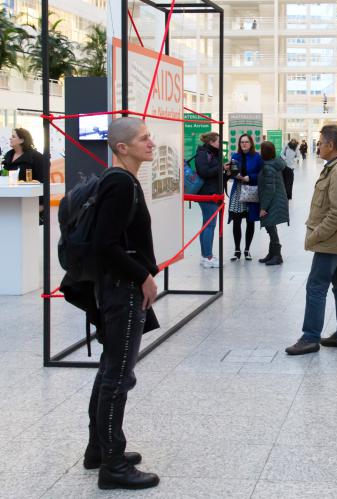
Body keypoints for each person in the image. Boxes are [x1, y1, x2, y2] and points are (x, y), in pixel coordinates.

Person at [86, 117, 161, 489]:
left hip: (117, 287)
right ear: (122, 148)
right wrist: (143, 276)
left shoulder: (123, 181)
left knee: (109, 370)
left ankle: (99, 448)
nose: (151, 143)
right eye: (143, 139)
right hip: (123, 291)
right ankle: (112, 465)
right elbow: (105, 244)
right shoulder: (119, 183)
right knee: (118, 376)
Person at [286, 124, 337, 356]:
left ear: (330, 144)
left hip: (331, 241)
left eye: (320, 142)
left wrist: (317, 235)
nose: (317, 146)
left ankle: (310, 337)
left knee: (316, 286)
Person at [225, 134, 262, 261]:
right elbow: (231, 173)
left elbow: (261, 174)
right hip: (238, 190)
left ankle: (247, 250)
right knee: (236, 221)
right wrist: (231, 174)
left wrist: (249, 177)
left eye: (246, 142)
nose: (244, 144)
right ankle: (237, 250)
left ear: (251, 143)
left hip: (251, 191)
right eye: (242, 142)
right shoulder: (235, 156)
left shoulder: (257, 157)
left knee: (250, 221)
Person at [3, 127, 46, 222]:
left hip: (30, 204)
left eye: (13, 136)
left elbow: (43, 181)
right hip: (8, 202)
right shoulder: (7, 156)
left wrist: (42, 205)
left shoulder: (36, 157)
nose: (10, 138)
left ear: (22, 140)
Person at [194, 132, 223, 268]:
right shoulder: (203, 153)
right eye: (218, 141)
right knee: (209, 225)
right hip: (207, 193)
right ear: (211, 142)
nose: (220, 143)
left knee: (207, 224)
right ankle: (207, 257)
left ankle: (205, 255)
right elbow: (204, 172)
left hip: (212, 192)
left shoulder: (212, 153)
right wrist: (221, 167)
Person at [258, 141, 290, 265]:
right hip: (277, 200)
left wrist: (263, 208)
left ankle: (277, 255)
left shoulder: (268, 168)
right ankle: (272, 253)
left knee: (270, 227)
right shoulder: (274, 163)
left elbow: (269, 190)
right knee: (270, 226)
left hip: (273, 202)